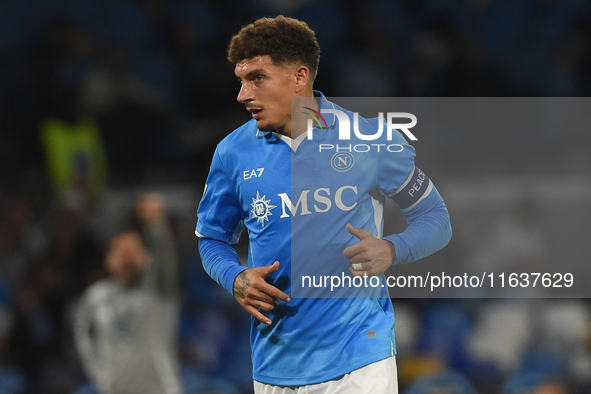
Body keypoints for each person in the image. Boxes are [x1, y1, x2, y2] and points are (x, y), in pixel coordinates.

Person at [195, 16, 452, 393]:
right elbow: (212, 239)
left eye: (258, 79)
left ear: (299, 77)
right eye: (241, 80)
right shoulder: (232, 153)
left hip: (360, 357)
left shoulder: (371, 140)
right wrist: (234, 277)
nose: (243, 95)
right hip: (275, 363)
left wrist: (393, 249)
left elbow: (436, 218)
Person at [74, 193, 181, 394]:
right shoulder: (96, 296)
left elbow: (165, 261)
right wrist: (97, 372)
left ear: (145, 256)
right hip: (116, 388)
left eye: (133, 250)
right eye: (120, 250)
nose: (126, 256)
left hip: (159, 388)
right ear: (109, 257)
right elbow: (82, 333)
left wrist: (156, 224)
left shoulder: (159, 289)